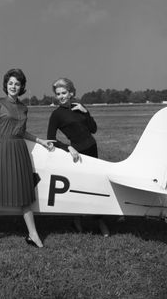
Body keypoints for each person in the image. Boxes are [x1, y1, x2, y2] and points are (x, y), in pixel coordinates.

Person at [0, 68, 54, 248]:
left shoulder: (24, 108)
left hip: (20, 151)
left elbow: (22, 131)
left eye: (17, 84)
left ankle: (33, 234)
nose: (13, 86)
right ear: (6, 85)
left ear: (22, 87)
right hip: (4, 149)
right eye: (10, 83)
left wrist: (40, 140)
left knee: (24, 195)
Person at [47, 77, 110, 237]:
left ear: (71, 93)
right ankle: (76, 220)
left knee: (96, 185)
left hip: (92, 149)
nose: (60, 96)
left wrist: (85, 112)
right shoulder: (56, 114)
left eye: (64, 93)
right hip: (78, 152)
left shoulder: (79, 107)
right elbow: (50, 139)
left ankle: (100, 220)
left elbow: (93, 129)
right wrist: (68, 148)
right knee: (80, 185)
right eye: (58, 94)